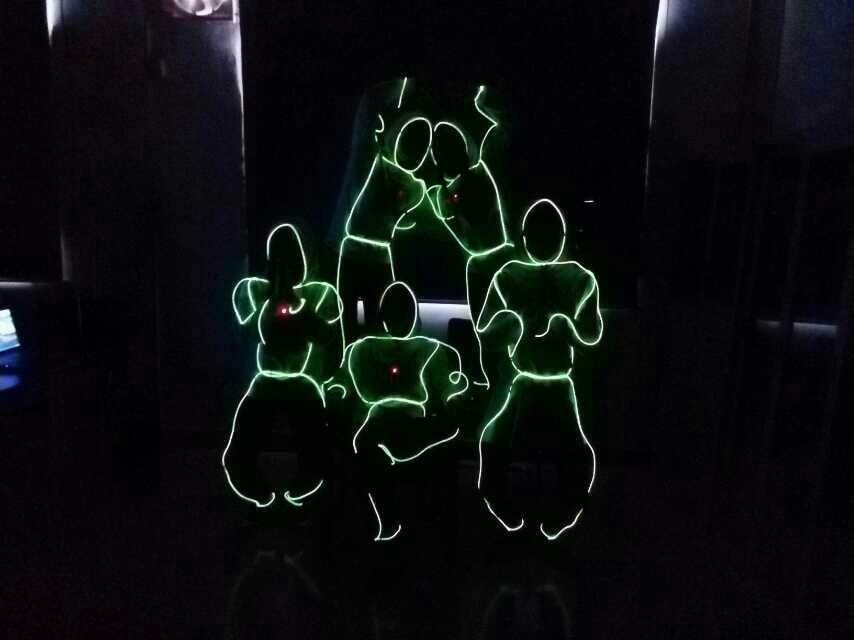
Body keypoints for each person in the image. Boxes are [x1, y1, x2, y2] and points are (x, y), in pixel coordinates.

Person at [475, 199, 603, 539]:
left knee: (576, 452)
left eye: (548, 234)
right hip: (526, 381)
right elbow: (485, 331)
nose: (543, 241)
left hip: (557, 383)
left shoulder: (578, 278)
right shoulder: (510, 275)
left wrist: (566, 328)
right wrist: (510, 323)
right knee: (492, 441)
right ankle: (513, 509)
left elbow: (591, 336)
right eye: (538, 234)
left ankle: (562, 514)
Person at [329, 281, 468, 540]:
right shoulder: (362, 349)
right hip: (382, 420)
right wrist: (337, 391)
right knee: (369, 441)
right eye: (393, 314)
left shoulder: (428, 349)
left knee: (369, 443)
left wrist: (453, 400)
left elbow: (447, 387)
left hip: (410, 421)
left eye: (402, 314)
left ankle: (389, 517)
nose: (398, 321)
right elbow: (342, 381)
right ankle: (389, 516)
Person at [223, 223, 343, 509]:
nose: (285, 266)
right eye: (278, 260)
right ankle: (261, 496)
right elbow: (246, 335)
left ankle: (297, 496)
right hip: (266, 381)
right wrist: (272, 303)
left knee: (317, 451)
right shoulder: (254, 290)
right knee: (239, 453)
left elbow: (325, 336)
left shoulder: (319, 294)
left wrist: (299, 307)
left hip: (302, 384)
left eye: (290, 259)